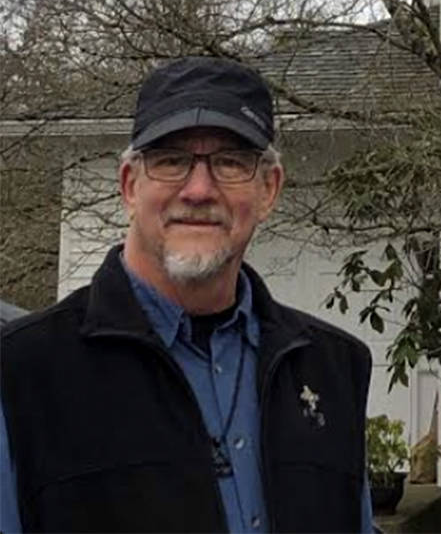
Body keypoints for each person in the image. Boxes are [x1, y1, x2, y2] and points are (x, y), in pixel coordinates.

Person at [0, 56, 376, 534]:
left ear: (269, 189)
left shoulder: (333, 369)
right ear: (129, 185)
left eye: (231, 162)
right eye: (172, 160)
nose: (199, 189)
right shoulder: (22, 374)